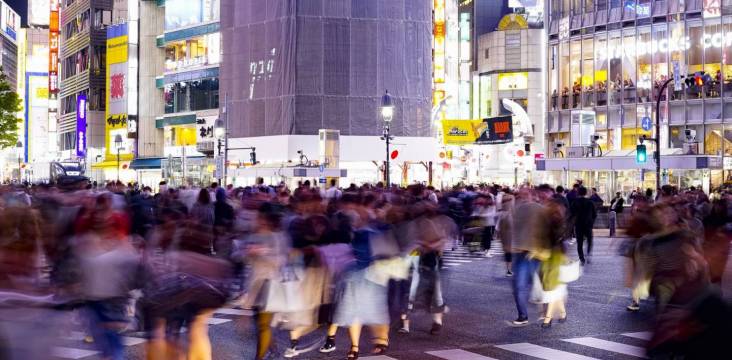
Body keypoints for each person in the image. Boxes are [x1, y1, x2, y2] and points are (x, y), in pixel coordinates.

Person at [508, 188, 551, 326]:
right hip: (522, 252)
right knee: (521, 286)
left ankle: (542, 313)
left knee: (530, 285)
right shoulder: (517, 209)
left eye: (526, 194)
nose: (523, 197)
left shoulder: (538, 209)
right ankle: (524, 315)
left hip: (534, 253)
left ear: (533, 196)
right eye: (521, 195)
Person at [570, 186, 597, 265]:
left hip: (578, 225)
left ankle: (582, 258)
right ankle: (588, 254)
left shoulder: (574, 202)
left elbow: (571, 214)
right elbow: (594, 214)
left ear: (578, 193)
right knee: (589, 241)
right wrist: (591, 222)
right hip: (588, 225)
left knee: (580, 243)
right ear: (586, 193)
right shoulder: (590, 202)